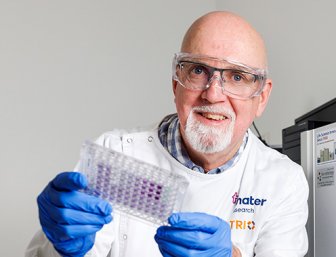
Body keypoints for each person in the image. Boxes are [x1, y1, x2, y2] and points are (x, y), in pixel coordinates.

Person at [26, 11, 309, 257]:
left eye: (237, 76)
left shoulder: (282, 181)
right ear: (176, 84)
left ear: (261, 97)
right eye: (198, 70)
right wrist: (62, 248)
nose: (213, 93)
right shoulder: (117, 156)